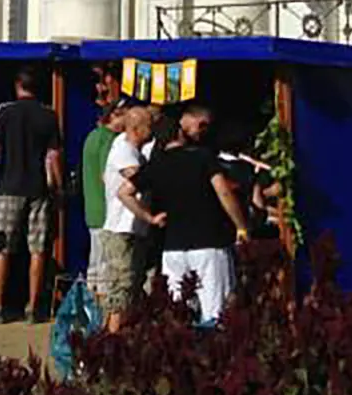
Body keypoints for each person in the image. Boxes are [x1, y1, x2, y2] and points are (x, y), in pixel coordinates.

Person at [134, 103, 251, 326]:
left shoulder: (157, 164)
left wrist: (148, 217)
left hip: (173, 248)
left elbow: (124, 191)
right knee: (215, 313)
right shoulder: (203, 158)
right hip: (209, 244)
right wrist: (241, 226)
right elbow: (224, 192)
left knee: (178, 314)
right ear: (179, 131)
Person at [0, 68, 63, 323]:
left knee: (2, 247)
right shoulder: (49, 115)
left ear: (18, 86)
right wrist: (58, 188)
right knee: (37, 249)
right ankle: (33, 305)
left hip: (9, 186)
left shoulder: (6, 111)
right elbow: (53, 156)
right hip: (37, 187)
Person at [98, 106, 161, 331]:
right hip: (122, 230)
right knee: (121, 289)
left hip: (135, 230)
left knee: (132, 287)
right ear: (136, 128)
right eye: (149, 125)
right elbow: (135, 180)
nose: (153, 129)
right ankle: (111, 342)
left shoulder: (134, 151)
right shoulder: (124, 150)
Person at [82, 102, 129, 298]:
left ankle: (89, 305)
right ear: (114, 116)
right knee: (104, 267)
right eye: (125, 118)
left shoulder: (93, 135)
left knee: (95, 264)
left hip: (93, 208)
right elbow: (106, 175)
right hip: (105, 210)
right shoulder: (109, 139)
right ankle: (100, 310)